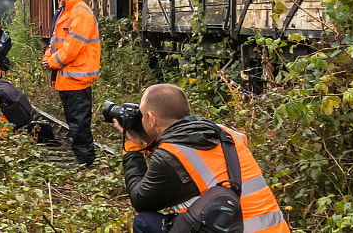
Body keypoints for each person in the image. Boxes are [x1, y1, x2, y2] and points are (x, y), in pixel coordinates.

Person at [121, 83, 290, 233]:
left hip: (231, 226)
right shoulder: (224, 134)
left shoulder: (172, 154)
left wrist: (133, 146)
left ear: (151, 119)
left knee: (144, 222)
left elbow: (140, 199)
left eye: (142, 116)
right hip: (275, 228)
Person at [43, 0, 100, 167]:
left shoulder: (80, 12)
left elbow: (73, 47)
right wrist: (47, 56)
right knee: (75, 121)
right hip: (68, 79)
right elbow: (55, 42)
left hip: (77, 78)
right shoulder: (64, 11)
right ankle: (82, 158)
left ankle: (85, 161)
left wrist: (52, 62)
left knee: (79, 123)